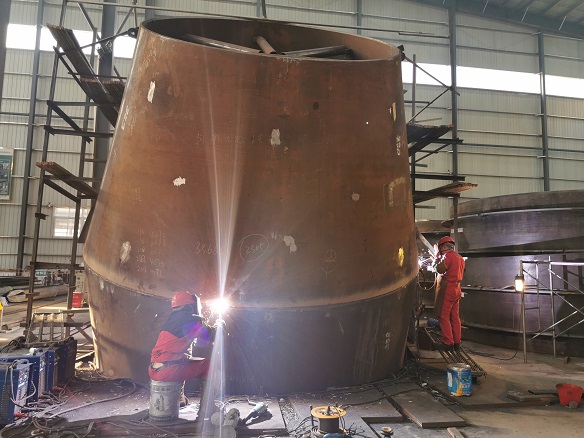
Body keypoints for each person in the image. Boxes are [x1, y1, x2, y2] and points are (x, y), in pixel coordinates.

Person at [149, 291, 223, 418]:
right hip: (169, 371)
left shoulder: (170, 321)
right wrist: (220, 324)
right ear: (192, 306)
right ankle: (207, 408)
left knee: (184, 358)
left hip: (153, 369)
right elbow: (212, 335)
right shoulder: (192, 320)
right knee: (209, 365)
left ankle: (179, 399)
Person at [433, 236, 465, 352]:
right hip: (457, 289)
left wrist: (437, 257)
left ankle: (448, 343)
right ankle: (457, 343)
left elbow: (439, 269)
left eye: (441, 248)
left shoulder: (447, 257)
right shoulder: (459, 257)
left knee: (443, 316)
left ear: (444, 247)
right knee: (455, 316)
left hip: (449, 289)